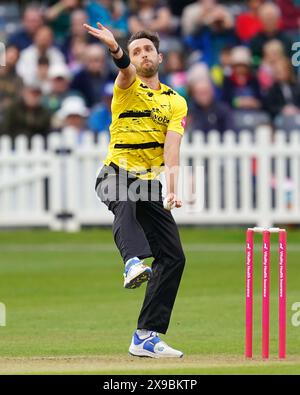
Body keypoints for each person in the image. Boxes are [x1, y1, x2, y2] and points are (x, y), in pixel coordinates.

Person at [84, 22, 187, 358]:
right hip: (114, 174)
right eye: (136, 51)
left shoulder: (175, 102)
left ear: (160, 56)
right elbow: (124, 71)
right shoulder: (126, 85)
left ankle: (146, 335)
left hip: (148, 184)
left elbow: (171, 149)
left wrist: (171, 188)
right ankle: (131, 262)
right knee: (124, 200)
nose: (143, 55)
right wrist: (116, 50)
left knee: (173, 257)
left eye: (148, 50)